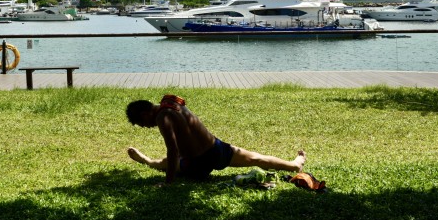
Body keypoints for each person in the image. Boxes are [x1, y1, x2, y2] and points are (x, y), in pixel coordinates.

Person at [125, 94, 306, 185]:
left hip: (197, 162)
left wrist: (169, 183)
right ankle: (294, 165)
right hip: (215, 149)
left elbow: (172, 151)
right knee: (256, 158)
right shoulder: (171, 103)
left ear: (145, 113)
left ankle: (147, 160)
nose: (146, 127)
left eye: (142, 123)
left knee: (164, 163)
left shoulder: (162, 118)